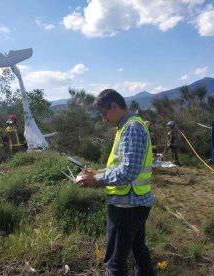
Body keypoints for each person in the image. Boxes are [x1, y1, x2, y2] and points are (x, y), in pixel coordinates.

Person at [76, 89, 155, 276]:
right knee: (138, 253)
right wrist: (99, 172)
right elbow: (122, 165)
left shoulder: (131, 128)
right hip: (134, 203)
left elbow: (128, 172)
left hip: (126, 205)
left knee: (114, 264)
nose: (104, 119)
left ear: (114, 106)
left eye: (104, 114)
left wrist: (96, 180)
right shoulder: (127, 127)